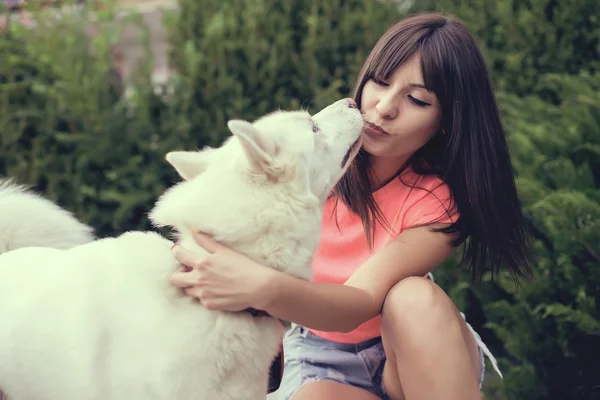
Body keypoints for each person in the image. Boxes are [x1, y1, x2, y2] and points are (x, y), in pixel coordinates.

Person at [169, 11, 533, 400]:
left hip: (409, 347)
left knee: (413, 296)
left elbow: (358, 303)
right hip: (321, 359)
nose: (384, 107)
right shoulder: (310, 163)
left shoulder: (433, 200)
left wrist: (261, 287)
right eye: (380, 81)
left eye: (416, 99)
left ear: (446, 121)